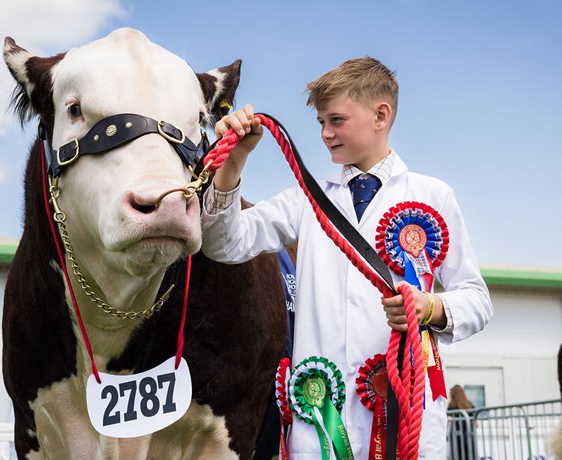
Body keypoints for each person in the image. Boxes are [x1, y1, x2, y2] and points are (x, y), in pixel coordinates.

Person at [201, 57, 492, 459]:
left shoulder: (433, 196)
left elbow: (477, 298)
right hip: (320, 413)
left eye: (336, 120)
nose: (324, 133)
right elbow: (225, 244)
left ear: (380, 115)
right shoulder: (305, 198)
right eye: (321, 122)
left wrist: (430, 307)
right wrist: (234, 164)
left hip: (405, 413)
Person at [447, 385, 475, 460]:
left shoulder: (451, 406)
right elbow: (476, 422)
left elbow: (449, 420)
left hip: (456, 437)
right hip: (469, 435)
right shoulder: (470, 405)